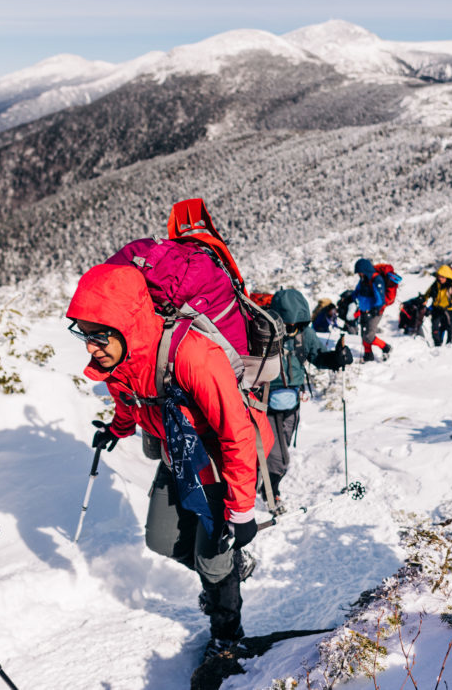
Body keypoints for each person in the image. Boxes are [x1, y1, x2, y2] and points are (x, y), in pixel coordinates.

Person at [66, 263, 272, 659]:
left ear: (128, 325)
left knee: (212, 562)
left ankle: (227, 637)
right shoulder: (119, 361)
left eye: (99, 336)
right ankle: (230, 567)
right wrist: (116, 429)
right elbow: (133, 402)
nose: (91, 347)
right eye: (85, 336)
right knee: (161, 540)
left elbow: (237, 433)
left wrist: (242, 510)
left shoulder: (193, 354)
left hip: (214, 457)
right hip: (176, 452)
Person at [264, 289, 353, 513]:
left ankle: (265, 484)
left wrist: (336, 358)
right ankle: (270, 493)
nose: (292, 329)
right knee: (277, 455)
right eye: (288, 325)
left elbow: (318, 357)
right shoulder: (262, 332)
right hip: (263, 400)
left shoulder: (305, 333)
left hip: (291, 401)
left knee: (281, 445)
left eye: (296, 324)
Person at [352, 259, 392, 362]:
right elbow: (357, 291)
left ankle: (386, 347)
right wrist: (350, 297)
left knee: (369, 336)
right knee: (363, 334)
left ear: (365, 270)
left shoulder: (376, 279)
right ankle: (368, 355)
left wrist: (375, 309)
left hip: (375, 312)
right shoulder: (363, 279)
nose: (359, 274)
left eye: (360, 271)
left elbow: (380, 298)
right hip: (363, 310)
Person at [423, 265, 452, 347]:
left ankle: (449, 345)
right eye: (439, 277)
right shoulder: (436, 284)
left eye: (442, 277)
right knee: (435, 328)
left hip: (449, 309)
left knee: (450, 328)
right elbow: (427, 294)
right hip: (437, 309)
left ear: (447, 277)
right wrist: (424, 300)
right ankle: (437, 345)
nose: (440, 279)